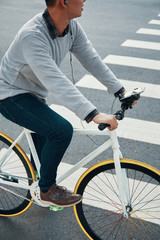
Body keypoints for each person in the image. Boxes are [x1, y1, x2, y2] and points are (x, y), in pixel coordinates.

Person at [0, 0, 127, 207]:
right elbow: (55, 80)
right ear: (63, 2)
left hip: (34, 94)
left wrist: (120, 91)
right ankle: (47, 190)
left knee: (44, 151)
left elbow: (91, 59)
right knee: (60, 131)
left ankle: (39, 182)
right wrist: (93, 114)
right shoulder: (32, 36)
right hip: (10, 95)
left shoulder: (71, 27)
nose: (85, 0)